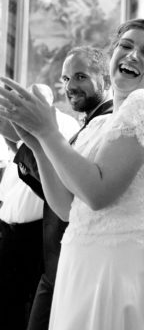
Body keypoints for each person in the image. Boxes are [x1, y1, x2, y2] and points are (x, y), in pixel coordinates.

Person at [0, 18, 144, 330]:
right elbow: (67, 208)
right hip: (82, 261)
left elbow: (97, 193)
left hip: (118, 266)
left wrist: (47, 131)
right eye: (125, 45)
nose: (133, 55)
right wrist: (37, 143)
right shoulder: (98, 124)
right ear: (112, 56)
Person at [8, 47, 113, 330]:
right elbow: (59, 190)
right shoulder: (87, 125)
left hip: (84, 260)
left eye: (80, 77)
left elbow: (81, 197)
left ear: (106, 79)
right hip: (59, 256)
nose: (70, 86)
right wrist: (26, 142)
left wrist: (36, 139)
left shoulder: (110, 125)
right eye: (66, 79)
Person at [0, 84, 79, 330]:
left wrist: (20, 143)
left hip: (37, 233)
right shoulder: (12, 125)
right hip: (9, 230)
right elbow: (12, 174)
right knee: (6, 302)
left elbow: (51, 174)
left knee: (32, 306)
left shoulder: (63, 125)